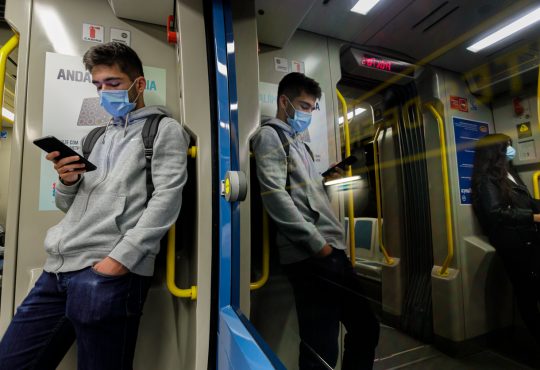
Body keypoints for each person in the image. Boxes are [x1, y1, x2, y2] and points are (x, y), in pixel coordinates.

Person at [0, 42, 189, 370]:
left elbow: (167, 199)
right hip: (57, 268)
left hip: (107, 271)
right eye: (98, 85)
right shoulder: (95, 137)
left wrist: (119, 261)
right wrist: (68, 182)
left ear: (138, 85)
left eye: (113, 84)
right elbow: (67, 206)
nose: (104, 93)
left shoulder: (163, 130)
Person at [251, 72, 380, 370]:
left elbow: (298, 192)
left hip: (330, 251)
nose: (309, 113)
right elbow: (275, 196)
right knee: (320, 348)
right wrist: (317, 246)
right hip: (313, 256)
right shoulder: (271, 135)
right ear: (284, 102)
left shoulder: (300, 144)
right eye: (304, 106)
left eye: (312, 107)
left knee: (364, 328)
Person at [472, 133, 540, 342]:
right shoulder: (486, 181)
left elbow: (526, 201)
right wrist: (533, 217)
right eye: (507, 146)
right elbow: (495, 213)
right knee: (526, 291)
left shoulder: (509, 174)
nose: (511, 150)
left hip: (527, 238)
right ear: (495, 152)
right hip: (512, 242)